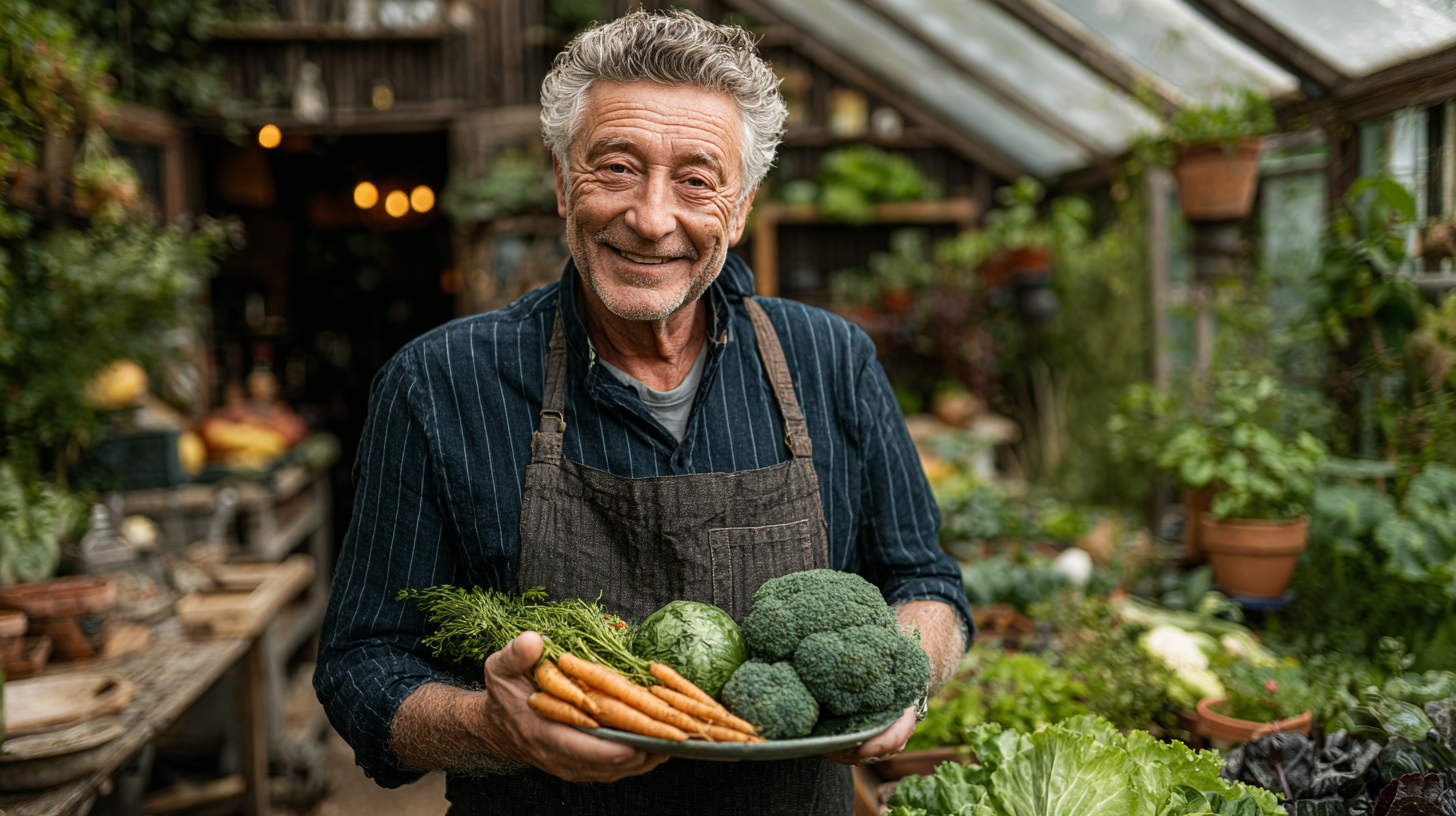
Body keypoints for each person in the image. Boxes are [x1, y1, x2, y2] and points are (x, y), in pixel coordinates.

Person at [314, 10, 974, 815]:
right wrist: (493, 725)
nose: (653, 218)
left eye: (697, 179)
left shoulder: (831, 359)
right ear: (562, 180)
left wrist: (896, 675)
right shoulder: (438, 383)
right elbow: (361, 667)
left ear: (740, 207)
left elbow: (923, 578)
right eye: (617, 168)